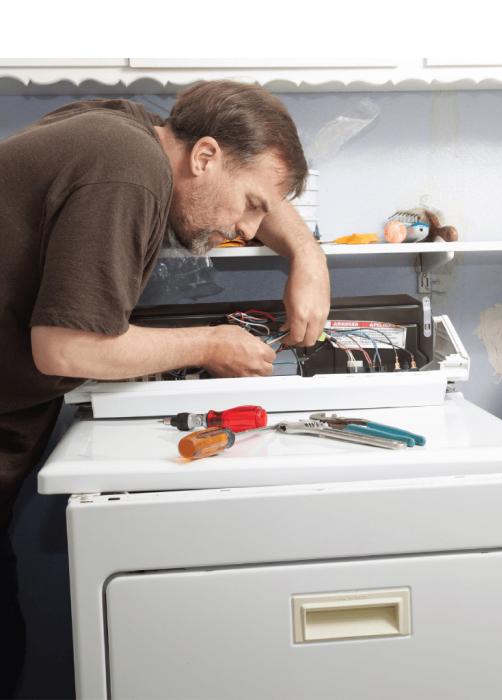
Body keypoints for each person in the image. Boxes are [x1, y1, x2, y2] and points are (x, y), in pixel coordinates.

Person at [0, 80, 330, 695]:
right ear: (203, 158)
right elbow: (65, 348)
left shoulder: (136, 133)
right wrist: (210, 344)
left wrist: (309, 256)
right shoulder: (127, 173)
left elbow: (250, 172)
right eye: (249, 205)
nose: (247, 229)